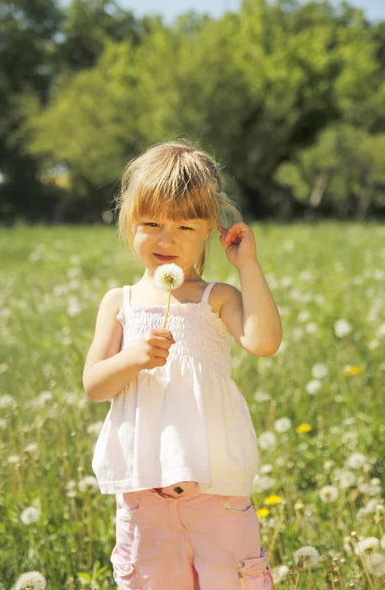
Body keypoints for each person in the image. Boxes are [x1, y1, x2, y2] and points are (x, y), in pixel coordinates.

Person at [83, 139, 282, 589]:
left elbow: (265, 342)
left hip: (216, 490)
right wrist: (133, 358)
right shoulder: (120, 302)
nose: (165, 239)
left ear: (210, 229)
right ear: (129, 223)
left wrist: (247, 266)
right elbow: (94, 386)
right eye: (149, 223)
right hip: (143, 491)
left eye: (184, 227)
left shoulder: (219, 298)